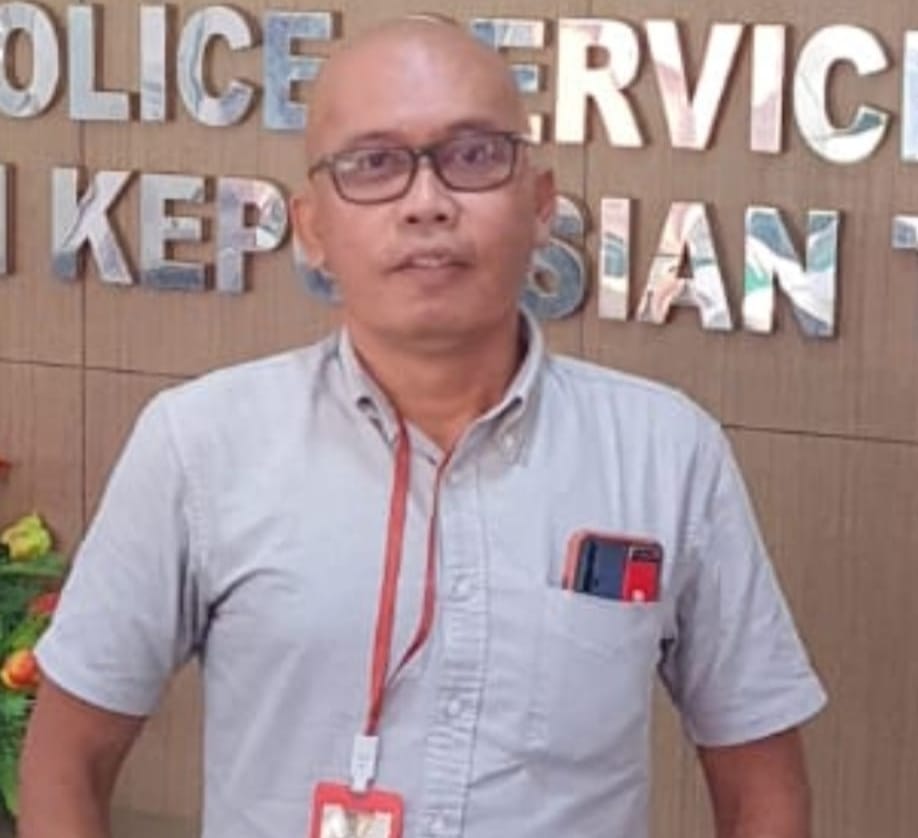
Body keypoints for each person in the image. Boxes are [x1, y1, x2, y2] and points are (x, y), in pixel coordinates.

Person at [20, 16, 826, 838]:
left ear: (540, 204)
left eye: (473, 156)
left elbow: (762, 785)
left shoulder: (667, 453)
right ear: (313, 228)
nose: (428, 203)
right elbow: (64, 763)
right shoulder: (199, 445)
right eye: (374, 165)